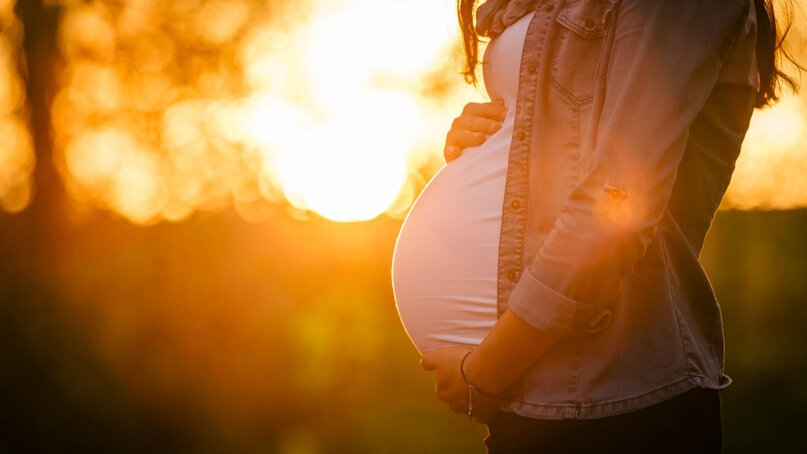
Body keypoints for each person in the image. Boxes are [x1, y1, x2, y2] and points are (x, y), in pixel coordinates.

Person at [407, 0, 802, 451]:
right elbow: (564, 141)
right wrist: (486, 143)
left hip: (609, 400)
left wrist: (485, 373)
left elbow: (616, 207)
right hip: (536, 392)